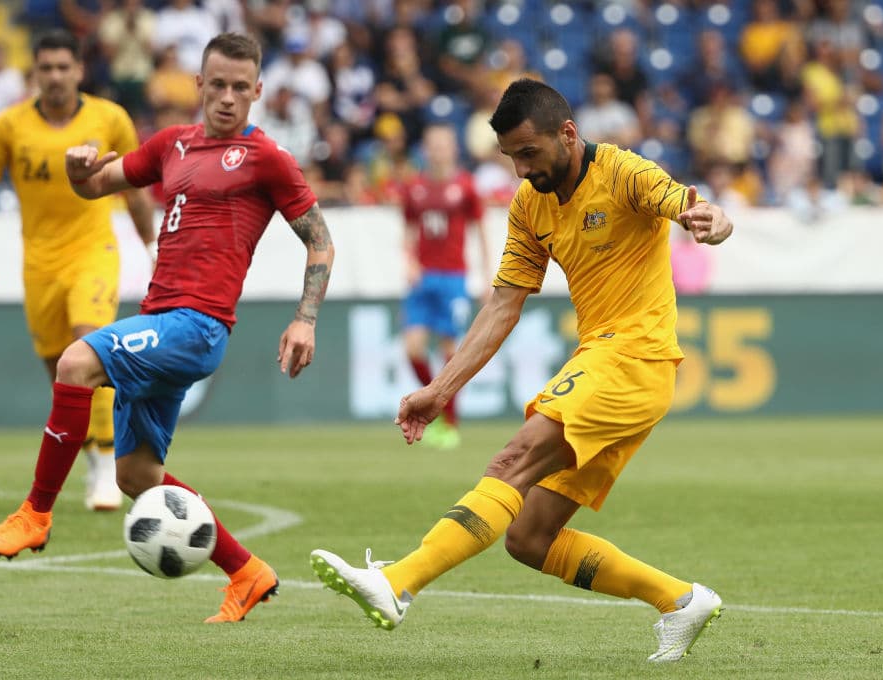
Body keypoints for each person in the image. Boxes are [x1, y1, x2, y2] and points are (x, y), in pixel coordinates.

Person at [310, 79, 733, 662]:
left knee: (512, 459)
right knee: (530, 538)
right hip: (610, 363)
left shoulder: (626, 173)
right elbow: (504, 304)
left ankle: (398, 582)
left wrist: (712, 219)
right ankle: (681, 600)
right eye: (510, 157)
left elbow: (689, 205)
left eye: (528, 153)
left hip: (635, 356)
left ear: (568, 134)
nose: (519, 170)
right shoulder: (530, 204)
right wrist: (439, 389)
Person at [0, 31, 335, 624]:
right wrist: (75, 167)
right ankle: (246, 572)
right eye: (216, 84)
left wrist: (305, 319)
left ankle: (35, 515)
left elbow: (320, 240)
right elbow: (95, 185)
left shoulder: (267, 157)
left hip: (198, 326)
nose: (227, 97)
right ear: (198, 84)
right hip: (159, 319)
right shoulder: (172, 145)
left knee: (74, 363)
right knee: (138, 474)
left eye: (241, 88)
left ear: (258, 91)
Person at [0, 29, 156, 512]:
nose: (54, 76)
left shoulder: (109, 118)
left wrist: (153, 244)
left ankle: (109, 461)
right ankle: (95, 456)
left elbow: (135, 187)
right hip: (39, 263)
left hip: (93, 251)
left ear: (79, 70)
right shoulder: (8, 126)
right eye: (45, 68)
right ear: (34, 73)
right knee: (61, 373)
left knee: (88, 342)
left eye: (62, 67)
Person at [400, 123, 490, 449]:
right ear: (425, 149)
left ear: (453, 148)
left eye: (444, 144)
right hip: (423, 277)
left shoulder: (465, 186)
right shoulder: (414, 188)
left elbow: (480, 230)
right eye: (433, 144)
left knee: (450, 352)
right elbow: (408, 229)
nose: (438, 150)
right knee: (412, 346)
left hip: (454, 277)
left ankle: (450, 423)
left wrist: (486, 275)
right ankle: (432, 402)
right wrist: (408, 260)